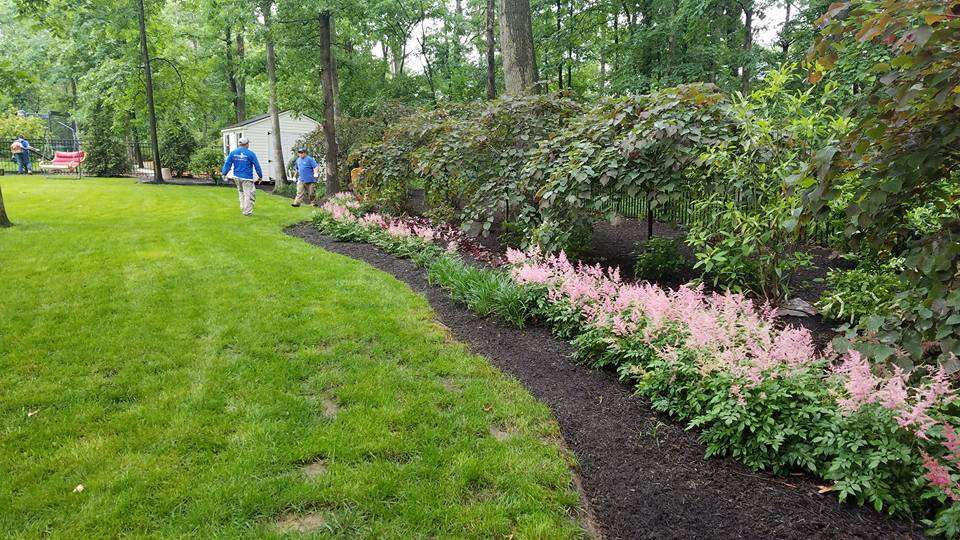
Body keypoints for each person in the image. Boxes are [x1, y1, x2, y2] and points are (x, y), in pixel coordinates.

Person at [221, 137, 263, 216]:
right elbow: (257, 166)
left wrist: (224, 173)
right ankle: (247, 212)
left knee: (241, 192)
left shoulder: (233, 153)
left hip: (237, 177)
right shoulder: (250, 153)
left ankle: (243, 207)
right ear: (247, 144)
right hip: (247, 178)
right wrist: (260, 176)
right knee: (249, 194)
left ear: (239, 144)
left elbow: (227, 164)